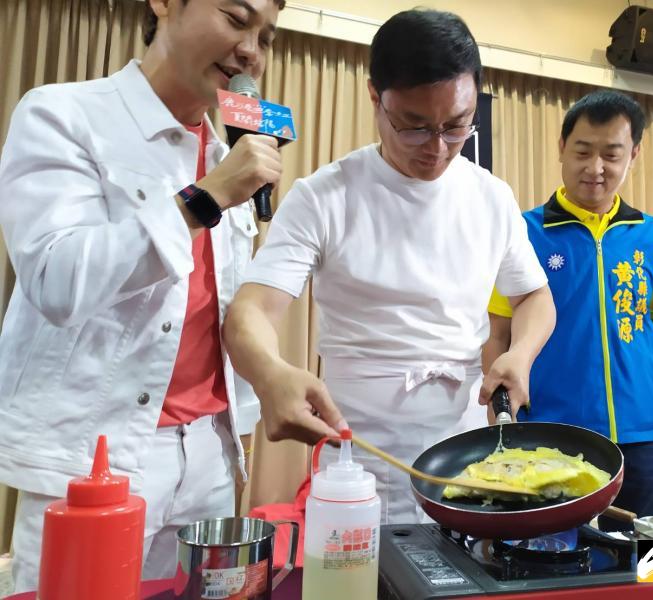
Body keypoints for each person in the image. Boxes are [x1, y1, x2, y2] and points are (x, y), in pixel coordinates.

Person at [222, 9, 556, 524]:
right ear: (376, 98)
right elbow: (251, 312)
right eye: (416, 128)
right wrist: (270, 374)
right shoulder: (325, 196)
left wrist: (522, 354)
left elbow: (534, 297)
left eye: (456, 126)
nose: (438, 148)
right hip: (360, 457)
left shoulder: (490, 196)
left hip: (465, 455)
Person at [0, 0, 286, 590]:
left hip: (211, 451)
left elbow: (223, 312)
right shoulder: (65, 113)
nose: (252, 50)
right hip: (97, 457)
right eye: (237, 20)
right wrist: (202, 200)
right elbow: (56, 280)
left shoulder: (227, 150)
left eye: (266, 34)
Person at [484, 90, 653, 530]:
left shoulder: (648, 234)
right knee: (551, 568)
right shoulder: (525, 231)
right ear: (561, 149)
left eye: (612, 154)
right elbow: (498, 334)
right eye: (583, 152)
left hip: (641, 439)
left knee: (646, 563)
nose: (596, 168)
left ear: (634, 155)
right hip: (550, 436)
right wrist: (500, 427)